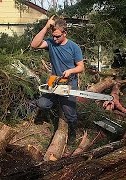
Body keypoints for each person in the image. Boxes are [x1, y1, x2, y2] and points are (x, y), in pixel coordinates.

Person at [30, 15, 84, 143]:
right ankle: (49, 111)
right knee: (42, 104)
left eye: (58, 36)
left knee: (69, 112)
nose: (55, 38)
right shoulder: (51, 43)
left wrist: (70, 71)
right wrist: (46, 27)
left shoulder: (73, 47)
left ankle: (72, 132)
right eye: (53, 35)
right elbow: (34, 44)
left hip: (69, 82)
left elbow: (81, 67)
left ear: (65, 33)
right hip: (54, 80)